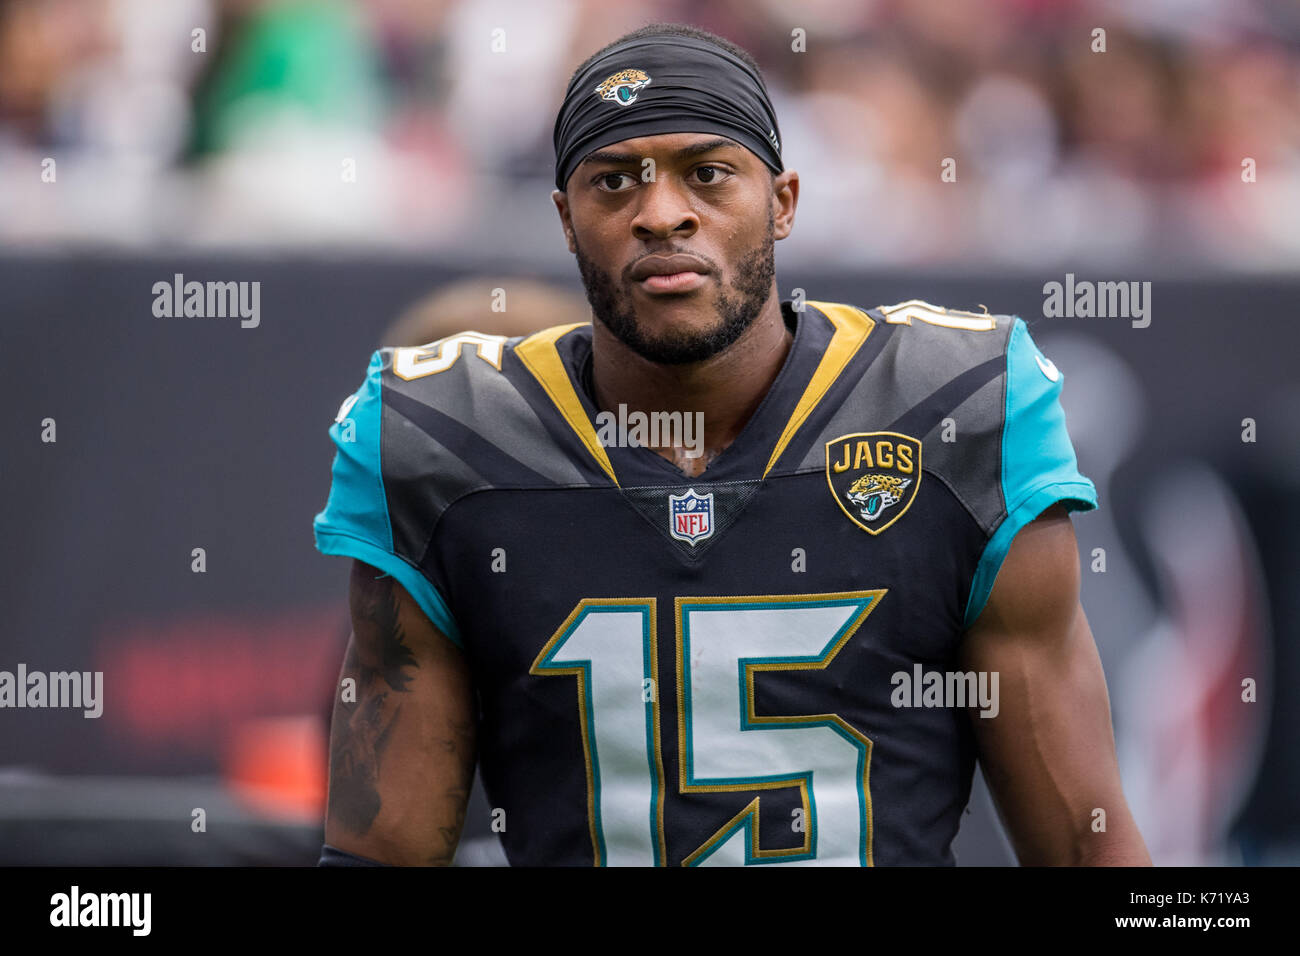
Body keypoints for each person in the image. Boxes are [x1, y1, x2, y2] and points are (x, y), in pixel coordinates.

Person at [312, 23, 1150, 866]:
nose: (662, 214)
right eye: (613, 183)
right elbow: (379, 856)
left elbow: (1085, 842)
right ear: (566, 220)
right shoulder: (446, 444)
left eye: (708, 174)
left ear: (782, 201)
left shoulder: (952, 410)